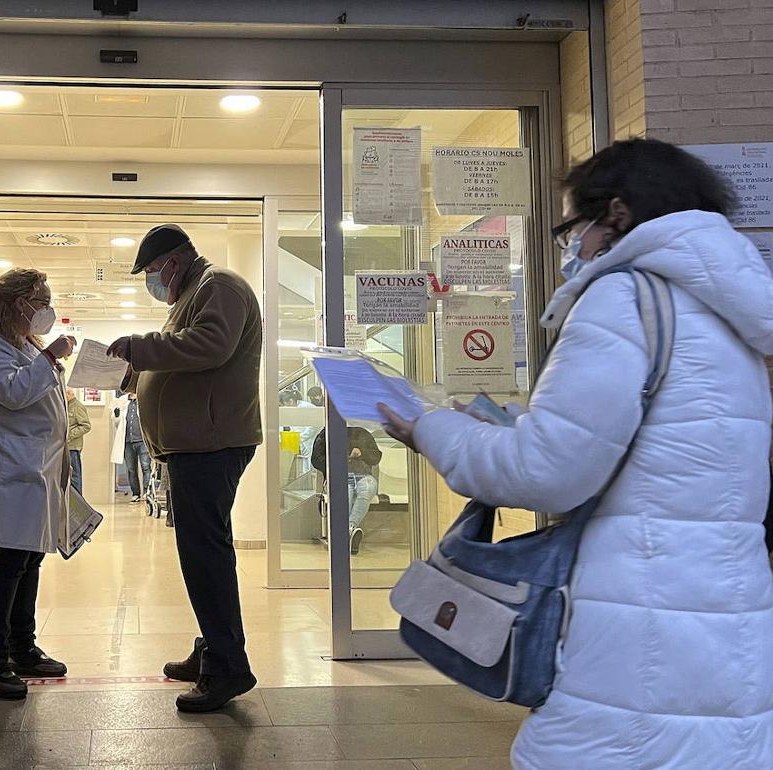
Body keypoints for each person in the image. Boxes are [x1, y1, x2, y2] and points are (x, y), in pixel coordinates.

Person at [379, 138, 773, 769]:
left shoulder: (624, 298)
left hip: (636, 627)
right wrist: (512, 426)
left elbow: (548, 472)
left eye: (571, 227)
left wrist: (432, 431)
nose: (570, 247)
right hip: (724, 617)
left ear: (614, 215)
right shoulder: (728, 316)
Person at [108, 223, 262, 712]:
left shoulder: (220, 285)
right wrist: (137, 378)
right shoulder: (194, 291)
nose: (151, 281)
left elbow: (211, 346)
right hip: (195, 445)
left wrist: (141, 347)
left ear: (173, 261)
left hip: (212, 445)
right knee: (201, 554)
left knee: (206, 556)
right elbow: (186, 366)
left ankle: (229, 669)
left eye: (152, 271)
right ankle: (212, 649)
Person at [0, 268, 75, 700]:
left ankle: (23, 647)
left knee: (29, 560)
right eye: (39, 301)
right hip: (8, 467)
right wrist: (50, 358)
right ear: (15, 303)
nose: (45, 310)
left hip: (36, 467)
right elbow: (12, 393)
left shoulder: (22, 343)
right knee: (9, 563)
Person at [309, 425, 382, 553]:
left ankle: (347, 530)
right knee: (345, 496)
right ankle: (350, 531)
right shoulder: (327, 433)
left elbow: (376, 457)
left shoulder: (363, 432)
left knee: (367, 489)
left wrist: (362, 452)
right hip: (339, 475)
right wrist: (338, 460)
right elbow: (316, 459)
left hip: (364, 476)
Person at [119, 393, 152, 502]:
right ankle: (135, 493)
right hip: (128, 441)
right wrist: (116, 416)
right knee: (131, 469)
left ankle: (147, 493)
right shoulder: (123, 402)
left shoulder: (144, 399)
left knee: (146, 467)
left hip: (142, 441)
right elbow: (118, 422)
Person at [65, 389, 91, 493]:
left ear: (70, 394)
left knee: (75, 476)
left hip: (73, 447)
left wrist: (69, 435)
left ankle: (78, 502)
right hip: (66, 447)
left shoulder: (77, 406)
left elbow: (86, 426)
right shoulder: (66, 406)